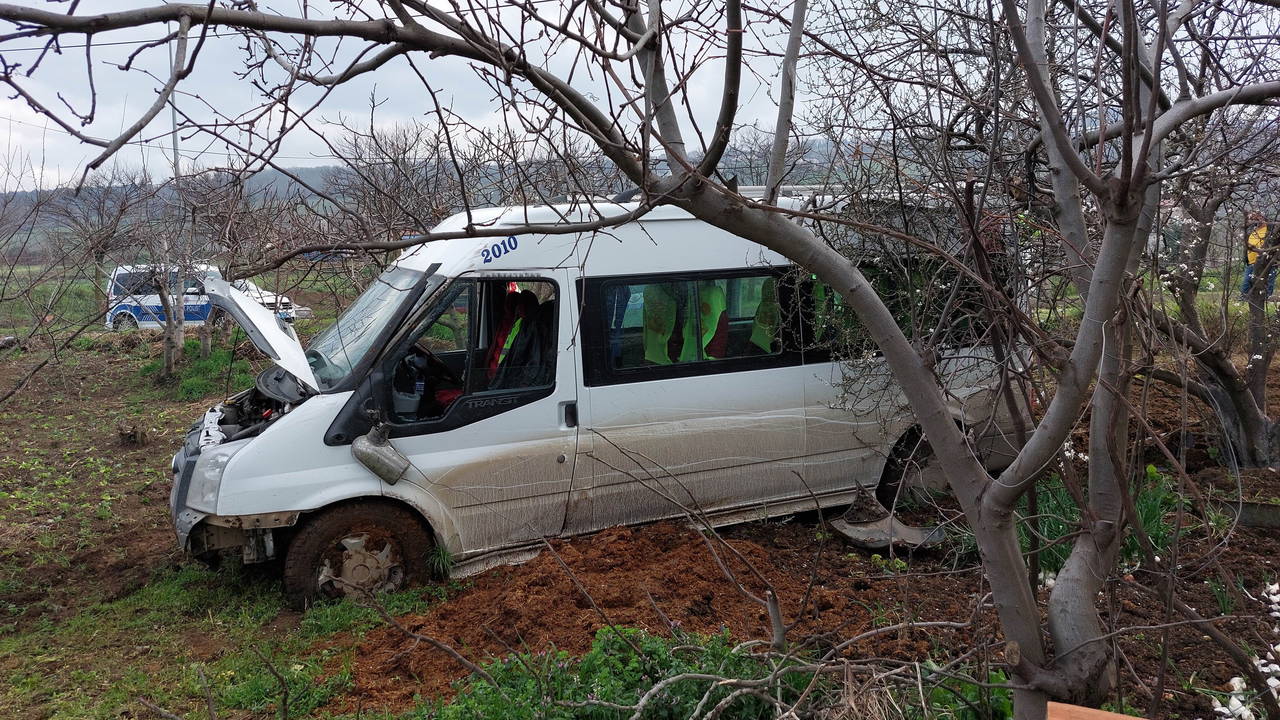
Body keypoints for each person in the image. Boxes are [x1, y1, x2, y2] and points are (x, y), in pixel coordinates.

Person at [1241, 211, 1275, 299]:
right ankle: (1244, 298)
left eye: (1256, 218)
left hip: (1267, 261)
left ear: (1262, 217)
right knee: (1246, 282)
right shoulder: (1252, 230)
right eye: (1252, 219)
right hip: (1252, 262)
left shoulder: (1270, 229)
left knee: (1267, 282)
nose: (1254, 221)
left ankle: (1267, 298)